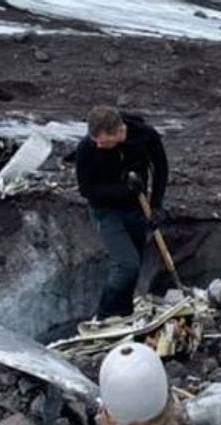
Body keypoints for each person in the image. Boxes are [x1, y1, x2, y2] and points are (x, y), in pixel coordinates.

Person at [75, 105, 169, 319]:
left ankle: (124, 315)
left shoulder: (145, 136)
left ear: (118, 131)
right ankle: (103, 316)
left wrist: (156, 206)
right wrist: (123, 189)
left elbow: (161, 169)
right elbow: (86, 189)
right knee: (126, 264)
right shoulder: (87, 148)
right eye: (95, 140)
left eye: (103, 141)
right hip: (105, 210)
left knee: (134, 269)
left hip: (137, 208)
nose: (98, 145)